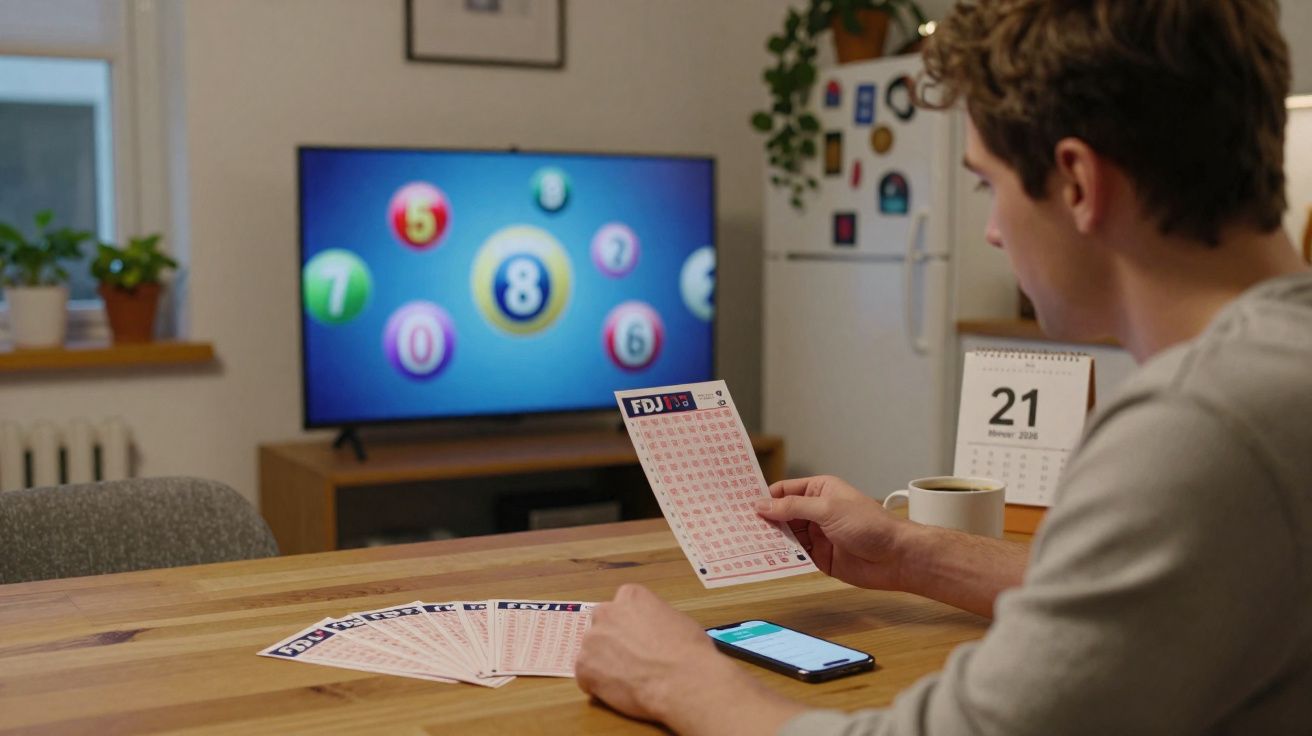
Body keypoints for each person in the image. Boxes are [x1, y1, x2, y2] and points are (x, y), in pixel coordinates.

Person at [574, 0, 1312, 733]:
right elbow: (1155, 607)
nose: (990, 232)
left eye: (988, 184)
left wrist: (679, 678)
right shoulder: (1277, 371)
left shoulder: (1197, 428)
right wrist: (907, 553)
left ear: (1078, 184)